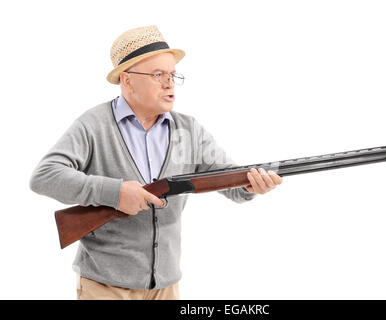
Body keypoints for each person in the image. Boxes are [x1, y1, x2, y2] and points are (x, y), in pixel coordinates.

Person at [29, 25, 283, 300]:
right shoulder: (94, 125)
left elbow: (230, 181)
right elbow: (45, 176)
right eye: (158, 74)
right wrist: (116, 193)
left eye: (173, 74)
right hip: (105, 287)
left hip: (165, 287)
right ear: (127, 80)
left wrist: (252, 185)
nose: (169, 83)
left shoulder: (189, 130)